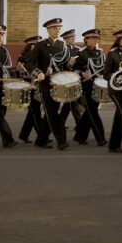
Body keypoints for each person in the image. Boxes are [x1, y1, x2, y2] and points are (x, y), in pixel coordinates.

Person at [23, 17, 72, 150]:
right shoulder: (40, 45)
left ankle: (41, 140)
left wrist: (70, 64)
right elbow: (28, 62)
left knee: (52, 112)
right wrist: (38, 72)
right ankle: (61, 141)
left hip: (59, 84)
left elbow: (65, 65)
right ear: (48, 30)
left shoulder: (63, 46)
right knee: (53, 113)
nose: (58, 30)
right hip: (45, 84)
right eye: (55, 28)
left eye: (59, 28)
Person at [73, 29, 107, 146]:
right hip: (87, 85)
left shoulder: (100, 53)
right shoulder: (81, 53)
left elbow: (104, 67)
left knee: (90, 111)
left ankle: (79, 136)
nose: (94, 40)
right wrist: (82, 73)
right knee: (93, 111)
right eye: (91, 38)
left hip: (98, 85)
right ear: (86, 40)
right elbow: (75, 69)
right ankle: (100, 138)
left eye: (96, 38)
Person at [16, 36, 43, 144]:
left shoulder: (39, 57)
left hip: (37, 86)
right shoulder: (23, 58)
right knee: (35, 112)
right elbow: (19, 73)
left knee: (32, 112)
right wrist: (18, 70)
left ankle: (24, 134)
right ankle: (42, 135)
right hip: (28, 87)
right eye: (34, 46)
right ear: (29, 46)